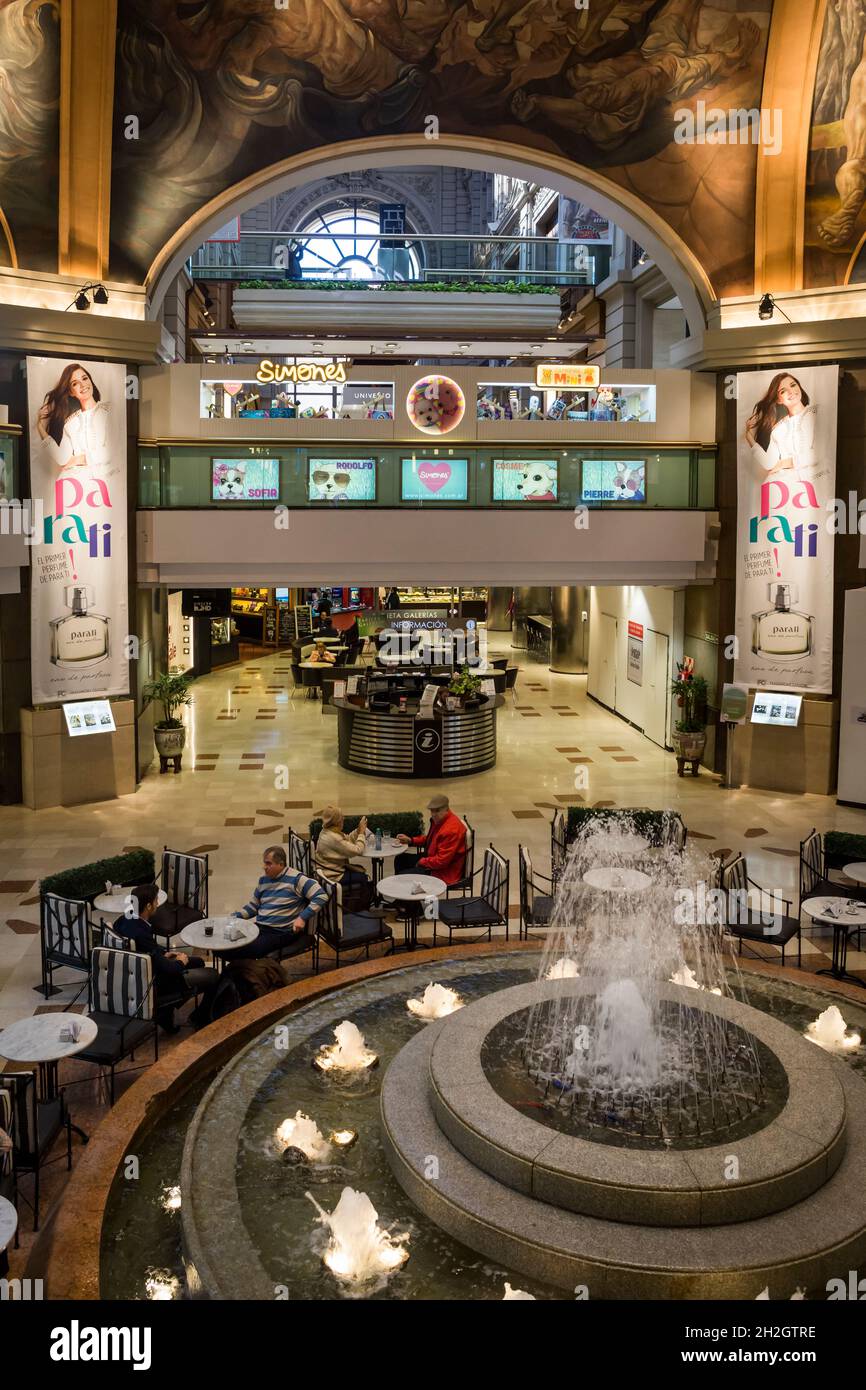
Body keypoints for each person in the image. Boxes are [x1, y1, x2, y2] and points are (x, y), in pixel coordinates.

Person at [119, 883, 219, 1032]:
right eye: (155, 901)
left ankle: (167, 1010)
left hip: (137, 973)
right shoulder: (141, 934)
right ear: (148, 906)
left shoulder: (123, 921)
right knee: (213, 975)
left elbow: (150, 952)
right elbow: (168, 969)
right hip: (154, 981)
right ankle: (192, 1016)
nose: (157, 904)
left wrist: (163, 953)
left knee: (198, 961)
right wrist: (180, 962)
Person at [231, 845, 328, 960]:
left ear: (281, 864)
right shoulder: (263, 880)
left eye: (268, 863)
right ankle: (239, 972)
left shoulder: (296, 879)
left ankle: (245, 973)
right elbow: (253, 906)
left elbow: (321, 895)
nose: (264, 867)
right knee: (230, 942)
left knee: (246, 949)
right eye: (264, 863)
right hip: (261, 928)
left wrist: (302, 918)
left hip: (281, 932)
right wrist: (235, 917)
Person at [35, 362, 112, 474]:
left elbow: (114, 449)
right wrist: (40, 427)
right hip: (81, 484)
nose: (82, 385)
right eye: (75, 383)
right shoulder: (70, 423)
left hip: (109, 481)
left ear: (90, 380)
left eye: (85, 378)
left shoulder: (110, 410)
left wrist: (79, 459)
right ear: (71, 392)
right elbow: (62, 459)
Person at [393, 795, 467, 885]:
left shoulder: (450, 830)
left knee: (403, 876)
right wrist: (411, 840)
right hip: (432, 860)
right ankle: (402, 895)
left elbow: (441, 862)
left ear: (446, 809)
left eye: (437, 811)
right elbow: (430, 839)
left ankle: (406, 896)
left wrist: (421, 862)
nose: (433, 814)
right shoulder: (441, 821)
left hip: (442, 872)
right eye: (432, 811)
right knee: (400, 859)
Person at [314, 807, 373, 907]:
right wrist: (362, 833)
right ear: (337, 822)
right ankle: (361, 908)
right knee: (364, 878)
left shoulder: (327, 831)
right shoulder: (334, 838)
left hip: (327, 870)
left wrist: (358, 831)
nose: (343, 820)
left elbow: (347, 840)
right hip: (333, 875)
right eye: (342, 818)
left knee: (360, 871)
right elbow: (357, 850)